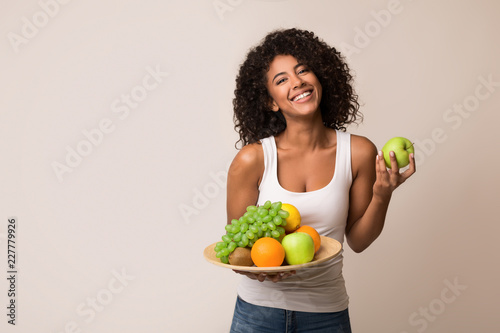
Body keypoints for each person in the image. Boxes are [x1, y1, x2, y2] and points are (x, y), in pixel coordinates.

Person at [226, 28, 415, 333]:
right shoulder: (252, 159)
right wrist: (260, 271)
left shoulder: (358, 151)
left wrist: (382, 195)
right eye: (282, 79)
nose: (297, 81)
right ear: (271, 101)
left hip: (326, 313)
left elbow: (358, 241)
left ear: (320, 78)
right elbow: (236, 251)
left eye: (303, 71)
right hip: (258, 314)